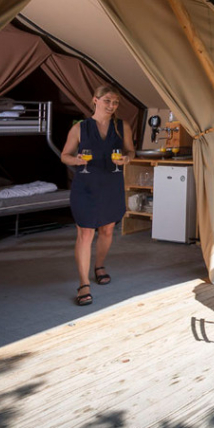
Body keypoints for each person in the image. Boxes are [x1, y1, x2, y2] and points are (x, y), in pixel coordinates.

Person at [61, 85, 135, 306]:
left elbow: (130, 151)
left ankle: (99, 265)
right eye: (107, 101)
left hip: (112, 184)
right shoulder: (79, 128)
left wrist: (127, 159)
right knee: (85, 233)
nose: (112, 106)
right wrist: (77, 161)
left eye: (115, 103)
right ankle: (84, 283)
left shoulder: (122, 127)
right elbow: (65, 155)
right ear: (95, 100)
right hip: (85, 186)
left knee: (107, 229)